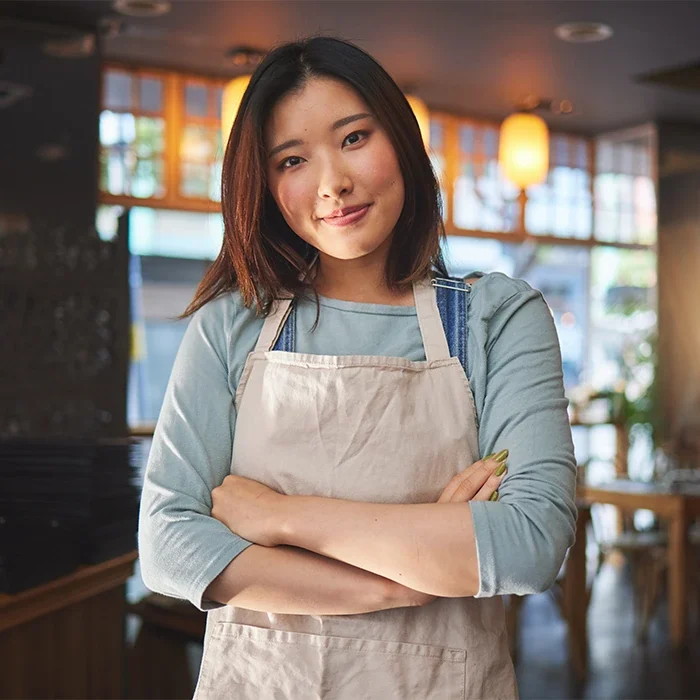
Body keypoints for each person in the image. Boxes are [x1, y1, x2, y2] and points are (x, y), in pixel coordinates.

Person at [138, 35, 577, 700]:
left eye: (353, 138)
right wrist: (395, 583)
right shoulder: (233, 325)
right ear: (265, 183)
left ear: (400, 139)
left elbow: (530, 542)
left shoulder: (498, 319)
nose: (331, 183)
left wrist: (280, 518)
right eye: (292, 159)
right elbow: (168, 549)